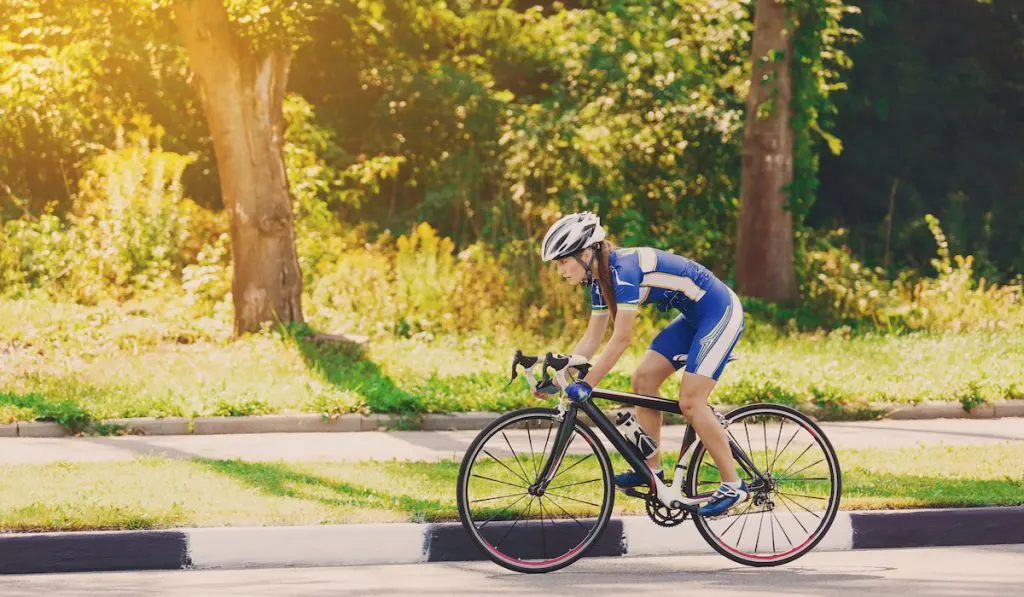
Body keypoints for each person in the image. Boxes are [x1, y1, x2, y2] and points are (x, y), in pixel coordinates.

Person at [538, 211, 746, 517]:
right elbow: (591, 340)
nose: (560, 270)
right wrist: (561, 378)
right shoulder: (599, 281)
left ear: (585, 253)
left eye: (562, 261)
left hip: (719, 312)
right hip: (692, 318)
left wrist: (588, 383)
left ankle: (733, 484)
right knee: (643, 381)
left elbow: (621, 338)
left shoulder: (622, 271)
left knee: (690, 401)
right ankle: (652, 472)